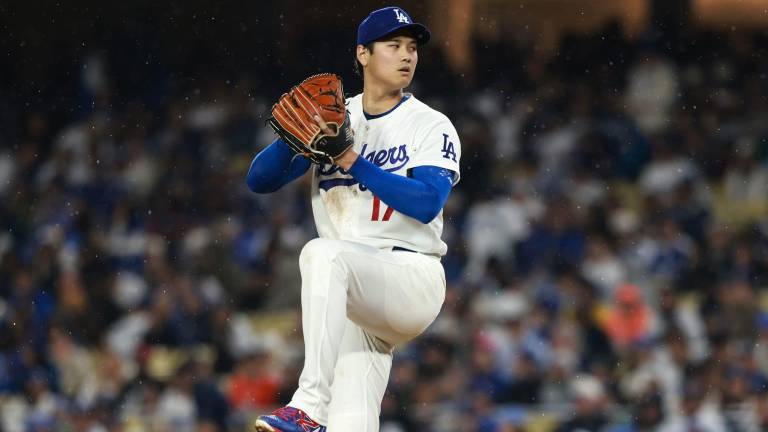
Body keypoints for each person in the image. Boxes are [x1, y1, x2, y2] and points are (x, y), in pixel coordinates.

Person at [246, 6, 461, 431]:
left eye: (412, 47)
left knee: (321, 255)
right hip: (354, 299)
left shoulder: (428, 124)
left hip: (409, 277)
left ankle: (307, 406)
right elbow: (259, 181)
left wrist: (351, 159)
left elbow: (425, 203)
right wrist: (291, 139)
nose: (407, 56)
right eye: (393, 45)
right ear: (363, 54)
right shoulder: (333, 117)